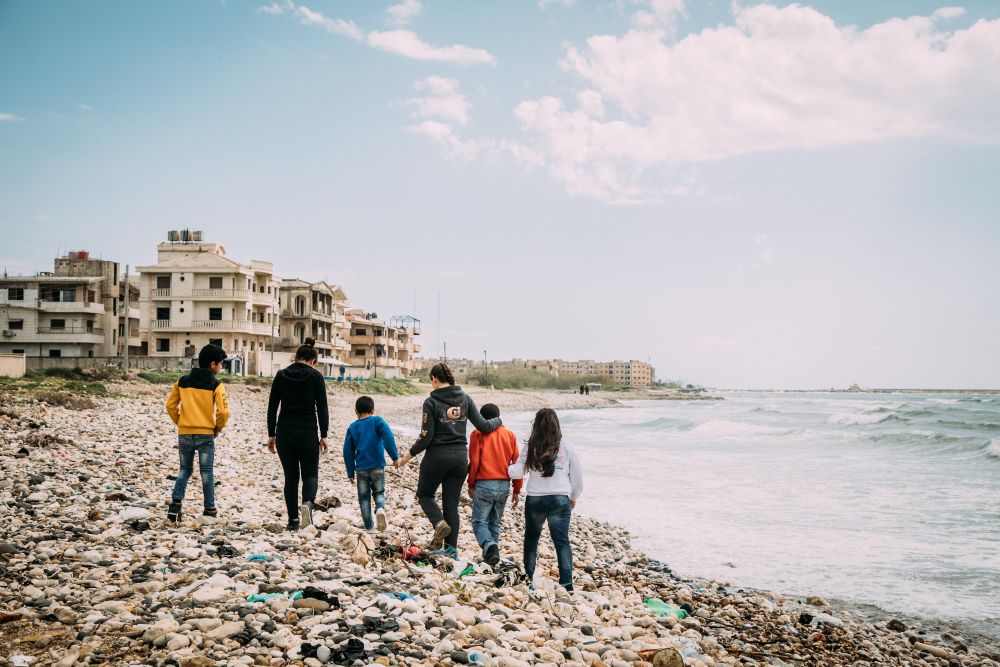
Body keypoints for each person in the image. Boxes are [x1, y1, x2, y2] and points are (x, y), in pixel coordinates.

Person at [397, 362, 501, 558]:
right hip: (460, 459)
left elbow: (426, 437)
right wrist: (499, 420)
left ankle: (439, 523)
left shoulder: (431, 402)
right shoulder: (465, 399)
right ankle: (451, 549)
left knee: (425, 495)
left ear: (434, 379)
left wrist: (407, 456)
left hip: (437, 457)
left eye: (432, 381)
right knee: (451, 504)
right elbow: (485, 426)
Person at [508, 408, 583, 591]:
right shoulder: (568, 446)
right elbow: (577, 478)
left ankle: (529, 579)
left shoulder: (532, 446)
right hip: (560, 499)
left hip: (535, 500)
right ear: (557, 424)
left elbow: (517, 472)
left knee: (532, 538)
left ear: (536, 425)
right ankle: (567, 584)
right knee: (562, 542)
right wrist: (573, 497)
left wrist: (507, 467)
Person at [267, 338, 329, 531]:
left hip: (285, 432)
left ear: (296, 357)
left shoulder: (281, 375)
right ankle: (308, 504)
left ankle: (293, 520)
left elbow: (272, 407)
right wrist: (324, 434)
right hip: (307, 432)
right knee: (310, 474)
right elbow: (322, 408)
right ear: (313, 360)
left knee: (291, 477)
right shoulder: (316, 377)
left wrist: (271, 433)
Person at [165, 344, 230, 523]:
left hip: (185, 433)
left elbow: (170, 406)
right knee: (207, 472)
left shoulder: (182, 381)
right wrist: (218, 428)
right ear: (212, 364)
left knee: (184, 469)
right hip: (205, 435)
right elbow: (224, 412)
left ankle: (175, 505)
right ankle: (209, 509)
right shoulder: (216, 385)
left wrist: (180, 422)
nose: (221, 367)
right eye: (220, 364)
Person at [467, 403, 521, 566]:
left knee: (478, 521)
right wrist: (516, 490)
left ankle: (489, 546)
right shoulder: (510, 435)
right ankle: (491, 557)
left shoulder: (477, 433)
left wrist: (471, 483)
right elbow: (517, 464)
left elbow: (474, 461)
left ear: (481, 419)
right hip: (504, 485)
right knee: (494, 523)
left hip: (484, 484)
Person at [343, 395, 399, 534]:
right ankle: (380, 508)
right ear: (373, 410)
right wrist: (394, 457)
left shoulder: (353, 427)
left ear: (356, 411)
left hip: (361, 469)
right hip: (377, 466)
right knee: (379, 492)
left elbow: (347, 451)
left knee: (364, 498)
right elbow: (388, 437)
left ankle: (369, 527)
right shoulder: (377, 421)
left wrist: (350, 472)